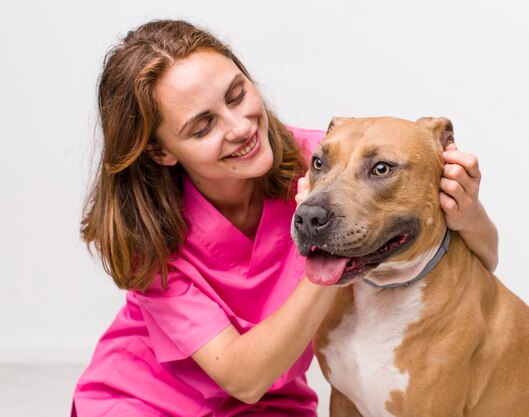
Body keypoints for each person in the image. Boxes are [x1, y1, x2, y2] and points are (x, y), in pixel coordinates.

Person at [72, 19, 499, 417]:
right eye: (202, 127)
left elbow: (482, 258)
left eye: (237, 95)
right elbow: (244, 377)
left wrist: (465, 209)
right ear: (161, 151)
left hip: (270, 405)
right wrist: (334, 254)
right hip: (144, 401)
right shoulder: (143, 236)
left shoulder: (324, 162)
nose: (239, 127)